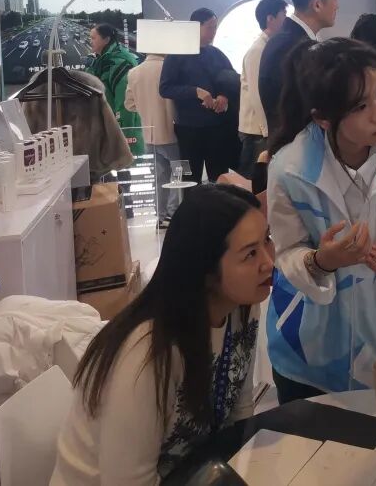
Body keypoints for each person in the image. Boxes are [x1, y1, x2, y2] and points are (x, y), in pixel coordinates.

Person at [50, 184, 275, 486]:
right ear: (206, 271)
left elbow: (239, 415)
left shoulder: (243, 308)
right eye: (250, 254)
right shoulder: (146, 355)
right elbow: (127, 481)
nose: (268, 262)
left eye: (267, 240)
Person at [265, 38, 376, 403]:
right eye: (360, 106)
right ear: (322, 117)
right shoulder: (290, 169)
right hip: (308, 346)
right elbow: (285, 251)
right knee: (311, 438)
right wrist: (320, 261)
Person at [160, 8, 240, 183]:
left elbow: (232, 79)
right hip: (188, 130)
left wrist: (224, 96)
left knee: (220, 179)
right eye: (210, 27)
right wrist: (195, 91)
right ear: (196, 27)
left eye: (215, 27)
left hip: (217, 127)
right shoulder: (176, 55)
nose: (214, 32)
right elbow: (165, 88)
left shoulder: (216, 54)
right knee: (188, 180)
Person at [259, 0, 340, 134]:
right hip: (299, 144)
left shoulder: (288, 39)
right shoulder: (293, 46)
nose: (337, 6)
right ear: (317, 5)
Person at [125, 52, 180, 226]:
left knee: (158, 178)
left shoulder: (134, 72)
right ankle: (174, 213)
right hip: (173, 132)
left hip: (149, 134)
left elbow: (129, 104)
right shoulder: (170, 68)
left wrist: (146, 108)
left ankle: (161, 216)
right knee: (179, 175)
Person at [238, 0, 287, 177]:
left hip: (263, 129)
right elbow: (256, 93)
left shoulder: (270, 47)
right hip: (257, 131)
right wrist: (268, 130)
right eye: (283, 14)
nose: (286, 19)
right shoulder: (258, 50)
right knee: (254, 180)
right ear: (270, 19)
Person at [88, 24, 144, 157]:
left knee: (127, 165)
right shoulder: (101, 61)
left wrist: (123, 134)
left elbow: (124, 103)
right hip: (107, 124)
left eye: (93, 38)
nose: (90, 41)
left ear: (106, 40)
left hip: (122, 129)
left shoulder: (119, 62)